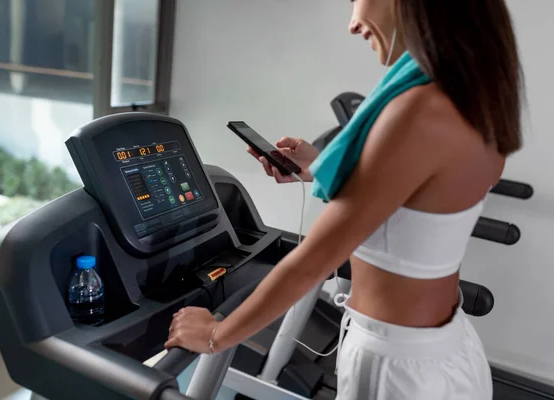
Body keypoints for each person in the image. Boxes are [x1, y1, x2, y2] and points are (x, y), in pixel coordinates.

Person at [165, 0, 524, 398]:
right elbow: (417, 201)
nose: (354, 24)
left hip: (397, 369)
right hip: (447, 350)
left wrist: (217, 334)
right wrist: (319, 168)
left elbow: (313, 262)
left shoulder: (419, 109)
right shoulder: (475, 96)